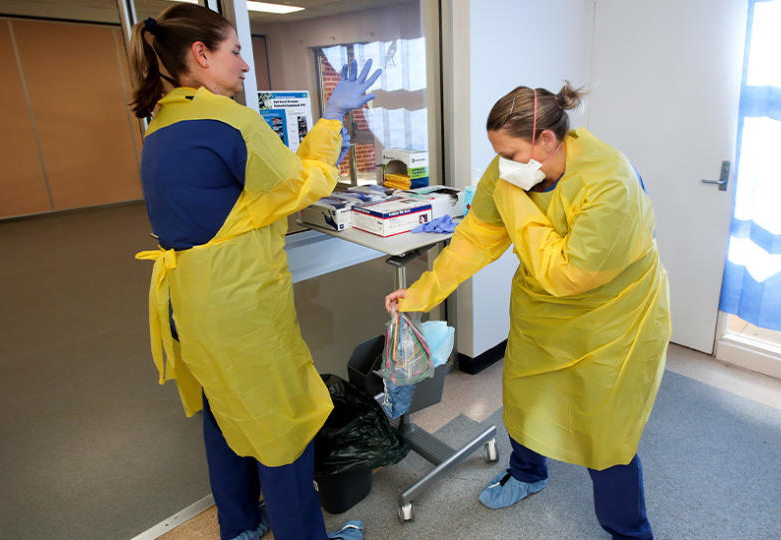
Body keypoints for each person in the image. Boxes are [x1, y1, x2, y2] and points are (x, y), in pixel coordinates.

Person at [129, 4, 380, 540]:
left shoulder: (160, 124)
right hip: (237, 303)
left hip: (189, 300)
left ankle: (240, 526)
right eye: (235, 51)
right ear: (201, 55)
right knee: (281, 425)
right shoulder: (230, 119)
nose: (245, 66)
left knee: (223, 413)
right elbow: (301, 185)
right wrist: (334, 115)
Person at [385, 83, 671, 540]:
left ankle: (629, 531)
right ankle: (527, 473)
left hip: (613, 320)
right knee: (525, 398)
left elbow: (569, 275)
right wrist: (422, 291)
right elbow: (475, 238)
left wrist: (514, 200)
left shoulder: (609, 182)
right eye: (499, 155)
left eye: (513, 154)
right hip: (542, 311)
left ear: (547, 141)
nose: (505, 166)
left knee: (606, 430)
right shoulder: (514, 172)